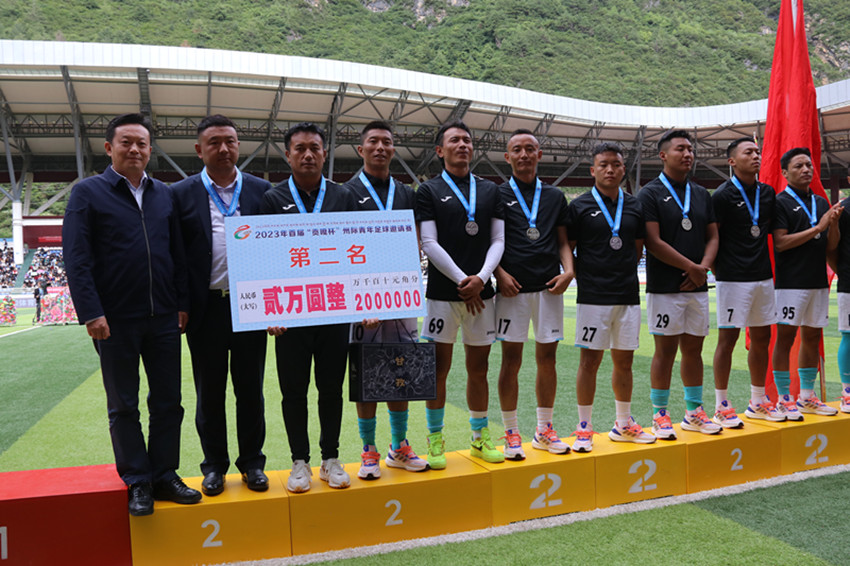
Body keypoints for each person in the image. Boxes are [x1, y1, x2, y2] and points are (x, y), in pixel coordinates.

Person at [63, 113, 200, 516]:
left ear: (150, 150)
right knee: (123, 404)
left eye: (142, 143)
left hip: (164, 318)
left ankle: (164, 474)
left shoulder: (164, 195)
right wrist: (91, 312)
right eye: (126, 142)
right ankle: (138, 480)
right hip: (114, 321)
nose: (135, 149)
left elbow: (177, 255)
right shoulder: (87, 193)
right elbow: (76, 258)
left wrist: (182, 304)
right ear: (109, 148)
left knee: (168, 401)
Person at [172, 115, 272, 496]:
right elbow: (175, 255)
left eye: (230, 141)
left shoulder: (262, 191)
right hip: (206, 309)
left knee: (251, 391)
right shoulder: (181, 193)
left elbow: (276, 251)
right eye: (214, 142)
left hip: (251, 306)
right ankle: (214, 466)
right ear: (199, 150)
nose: (223, 148)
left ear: (238, 146)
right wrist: (181, 303)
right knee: (209, 393)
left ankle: (252, 463)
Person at [261, 122, 357, 493]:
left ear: (324, 153)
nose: (307, 155)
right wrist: (269, 311)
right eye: (299, 149)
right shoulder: (272, 199)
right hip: (290, 313)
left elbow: (357, 251)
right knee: (294, 391)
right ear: (288, 155)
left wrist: (362, 300)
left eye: (314, 148)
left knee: (331, 388)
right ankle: (299, 461)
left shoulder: (342, 196)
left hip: (334, 308)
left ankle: (330, 458)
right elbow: (264, 258)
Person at [415, 120, 505, 468]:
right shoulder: (428, 190)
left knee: (478, 369)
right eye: (455, 140)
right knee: (438, 370)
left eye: (467, 140)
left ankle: (479, 438)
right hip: (442, 294)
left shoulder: (490, 190)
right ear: (440, 150)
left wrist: (481, 278)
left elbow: (498, 240)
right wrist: (462, 281)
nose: (463, 145)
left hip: (483, 295)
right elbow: (428, 242)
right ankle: (435, 439)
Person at [344, 121, 429, 479]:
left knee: (400, 371)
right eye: (373, 142)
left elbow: (417, 243)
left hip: (400, 297)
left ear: (394, 149)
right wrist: (360, 301)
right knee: (366, 375)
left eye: (387, 142)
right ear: (360, 149)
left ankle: (399, 446)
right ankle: (368, 450)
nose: (380, 147)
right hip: (361, 301)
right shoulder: (345, 193)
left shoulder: (407, 193)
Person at [567, 142, 656, 452]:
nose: (610, 170)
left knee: (625, 362)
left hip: (627, 294)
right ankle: (584, 427)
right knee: (589, 362)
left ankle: (622, 423)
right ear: (593, 170)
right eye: (603, 165)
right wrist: (585, 275)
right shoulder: (578, 206)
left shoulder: (634, 205)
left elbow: (638, 248)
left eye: (616, 165)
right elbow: (568, 248)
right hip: (593, 296)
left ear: (623, 170)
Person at [494, 129, 574, 460]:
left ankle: (544, 430)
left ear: (540, 154)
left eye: (530, 149)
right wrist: (499, 274)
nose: (524, 154)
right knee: (510, 361)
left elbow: (562, 241)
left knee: (548, 359)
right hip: (512, 290)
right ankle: (511, 432)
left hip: (549, 288)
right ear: (507, 157)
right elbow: (490, 241)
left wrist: (569, 271)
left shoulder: (554, 196)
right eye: (517, 149)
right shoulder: (497, 194)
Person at [638, 129, 721, 439]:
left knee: (694, 351)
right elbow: (653, 242)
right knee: (665, 351)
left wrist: (704, 268)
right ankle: (660, 414)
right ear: (663, 155)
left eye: (690, 149)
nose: (687, 154)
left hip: (697, 285)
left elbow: (713, 236)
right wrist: (692, 268)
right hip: (665, 287)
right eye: (680, 149)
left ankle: (694, 412)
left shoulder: (701, 193)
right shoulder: (649, 193)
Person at [711, 137, 783, 425]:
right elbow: (712, 237)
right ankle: (721, 404)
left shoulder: (767, 193)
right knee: (728, 340)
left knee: (762, 339)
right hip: (732, 279)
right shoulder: (722, 195)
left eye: (757, 152)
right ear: (732, 161)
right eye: (748, 152)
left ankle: (758, 401)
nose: (756, 156)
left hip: (762, 277)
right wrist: (719, 272)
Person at [773, 147, 840, 418]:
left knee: (812, 337)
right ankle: (783, 398)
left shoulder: (821, 202)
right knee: (786, 338)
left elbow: (830, 246)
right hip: (790, 283)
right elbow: (780, 242)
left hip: (817, 281)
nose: (806, 170)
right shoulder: (780, 202)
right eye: (799, 166)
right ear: (785, 172)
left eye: (809, 165)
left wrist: (832, 226)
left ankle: (807, 396)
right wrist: (818, 227)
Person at [827, 173, 850, 414]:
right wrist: (843, 272)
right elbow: (831, 248)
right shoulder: (842, 210)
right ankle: (848, 391)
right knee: (849, 336)